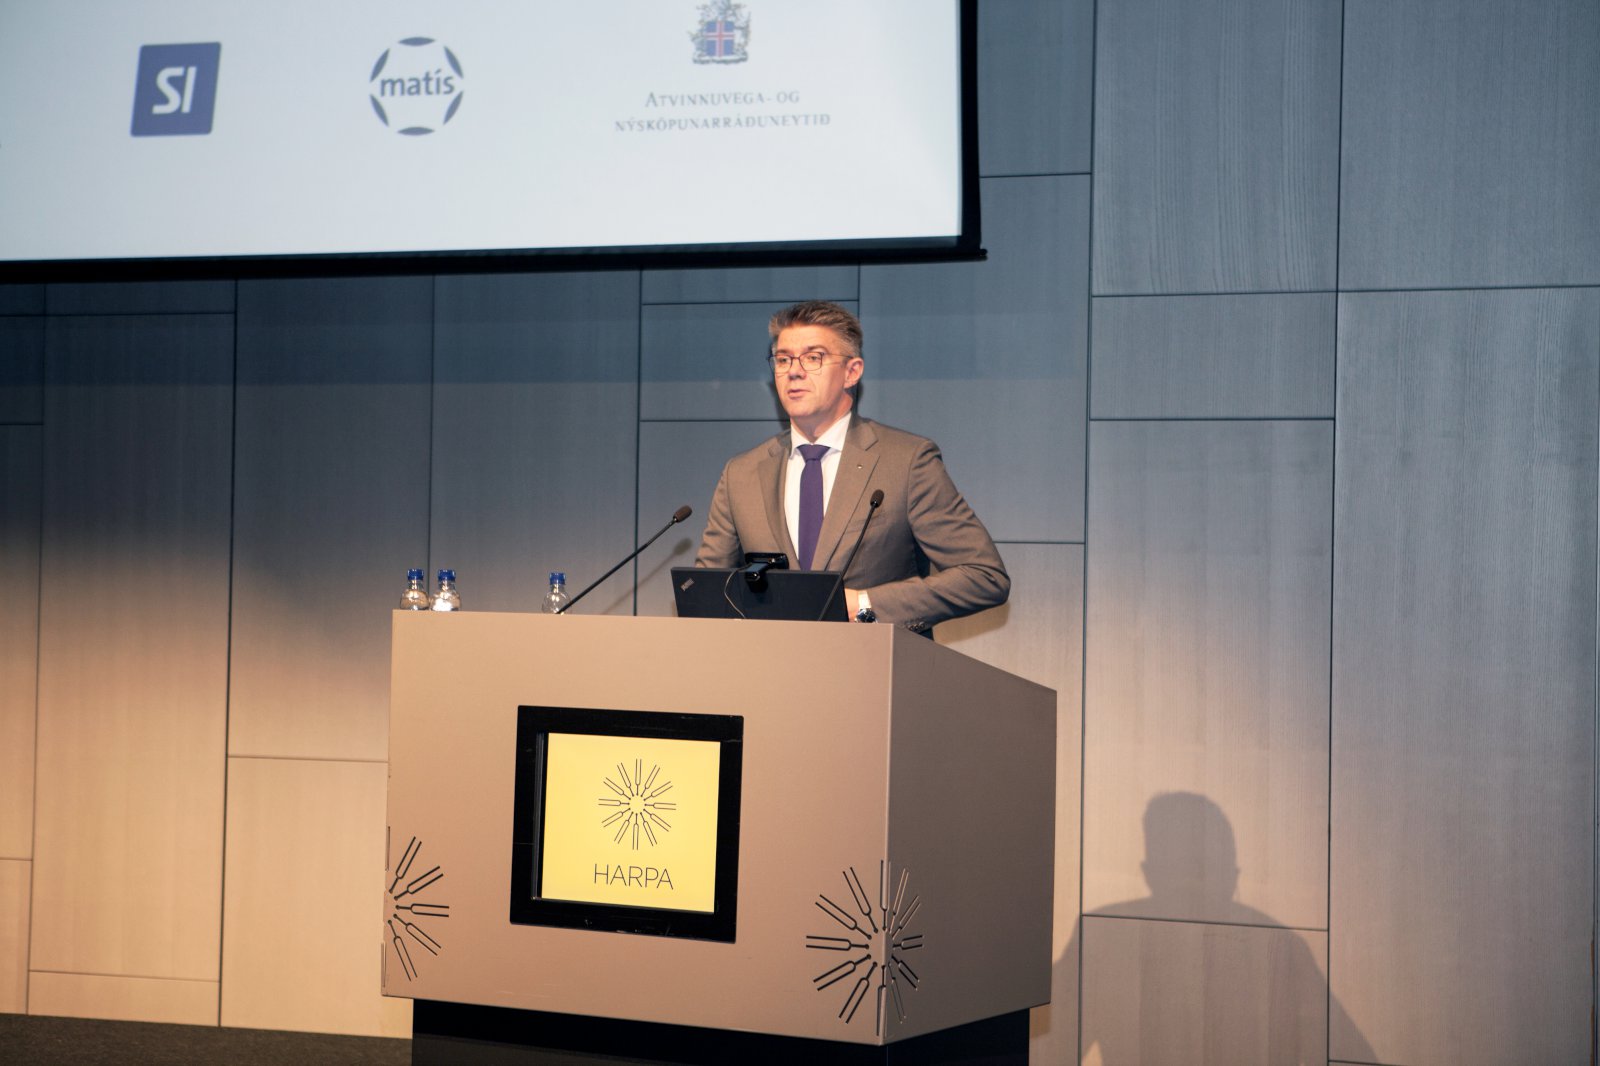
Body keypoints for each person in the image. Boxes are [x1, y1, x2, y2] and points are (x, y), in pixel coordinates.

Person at [694, 300, 1008, 632]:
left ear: (852, 372)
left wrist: (863, 605)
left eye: (813, 357)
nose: (794, 371)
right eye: (783, 359)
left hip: (873, 660)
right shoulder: (741, 474)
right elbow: (705, 597)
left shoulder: (906, 462)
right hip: (771, 662)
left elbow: (983, 576)